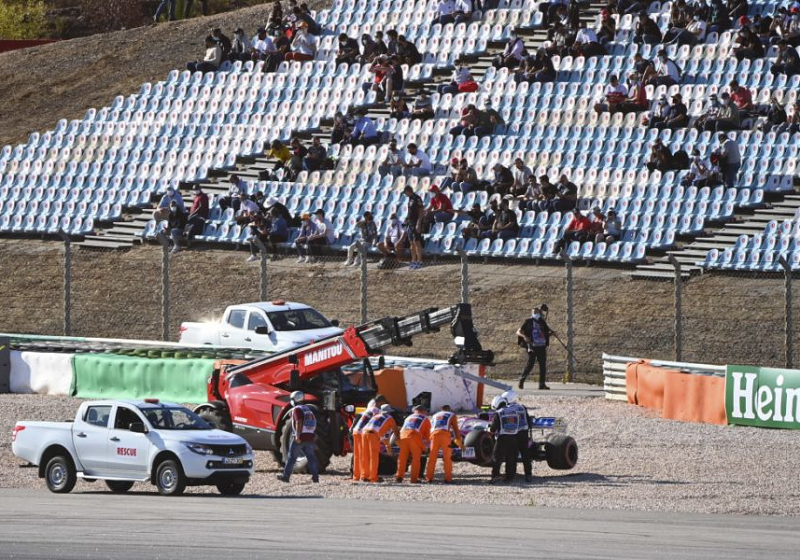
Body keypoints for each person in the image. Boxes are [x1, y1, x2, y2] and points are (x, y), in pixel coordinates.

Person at [276, 391, 319, 483]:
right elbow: (314, 422)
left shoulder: (297, 409)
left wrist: (298, 435)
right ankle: (315, 478)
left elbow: (298, 422)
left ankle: (286, 477)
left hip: (300, 438)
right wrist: (312, 434)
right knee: (311, 458)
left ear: (294, 400)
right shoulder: (307, 409)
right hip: (309, 437)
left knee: (291, 458)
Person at [351, 396, 386, 482]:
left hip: (356, 431)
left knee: (357, 455)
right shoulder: (376, 411)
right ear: (380, 402)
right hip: (363, 433)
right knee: (366, 455)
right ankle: (367, 476)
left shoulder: (369, 409)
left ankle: (357, 476)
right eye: (383, 403)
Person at [516, 308, 553, 390]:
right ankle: (521, 380)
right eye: (534, 312)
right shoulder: (528, 322)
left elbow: (546, 333)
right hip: (532, 346)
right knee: (530, 364)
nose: (536, 314)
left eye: (537, 312)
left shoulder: (542, 322)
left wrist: (551, 333)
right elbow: (518, 332)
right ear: (532, 313)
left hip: (541, 346)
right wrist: (525, 336)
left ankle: (542, 384)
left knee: (542, 365)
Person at [425, 405, 463, 483]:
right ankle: (448, 478)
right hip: (444, 435)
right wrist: (459, 440)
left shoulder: (435, 415)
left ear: (441, 409)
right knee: (447, 458)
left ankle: (429, 478)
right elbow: (455, 429)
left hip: (434, 435)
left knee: (432, 458)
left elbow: (430, 427)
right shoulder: (451, 415)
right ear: (449, 409)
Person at [363, 404, 400, 483]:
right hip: (373, 434)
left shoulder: (376, 416)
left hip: (364, 433)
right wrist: (399, 438)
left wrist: (387, 445)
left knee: (366, 455)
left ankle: (364, 476)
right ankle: (373, 477)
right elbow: (395, 431)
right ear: (389, 412)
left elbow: (383, 435)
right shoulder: (389, 418)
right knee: (374, 457)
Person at [395, 405, 431, 483]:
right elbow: (427, 435)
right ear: (423, 411)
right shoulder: (425, 418)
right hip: (414, 436)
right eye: (426, 411)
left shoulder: (408, 417)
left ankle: (399, 477)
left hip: (403, 436)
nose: (427, 413)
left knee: (402, 458)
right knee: (416, 459)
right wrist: (426, 446)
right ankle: (414, 479)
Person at [489, 395, 519, 483]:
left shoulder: (499, 413)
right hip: (514, 437)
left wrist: (491, 430)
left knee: (497, 457)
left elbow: (493, 428)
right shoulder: (514, 411)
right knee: (511, 457)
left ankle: (495, 475)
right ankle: (510, 476)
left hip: (503, 438)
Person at [508, 396, 533, 482]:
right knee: (525, 455)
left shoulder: (508, 409)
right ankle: (528, 474)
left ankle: (512, 474)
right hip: (524, 433)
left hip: (514, 434)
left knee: (512, 455)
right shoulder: (522, 407)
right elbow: (528, 420)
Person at [403, 185, 425, 269]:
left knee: (417, 242)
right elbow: (410, 211)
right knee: (411, 242)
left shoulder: (417, 198)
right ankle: (413, 260)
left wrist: (419, 223)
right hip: (410, 223)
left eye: (405, 192)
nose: (405, 194)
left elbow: (421, 211)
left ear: (408, 190)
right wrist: (406, 218)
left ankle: (419, 261)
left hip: (416, 222)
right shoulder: (410, 199)